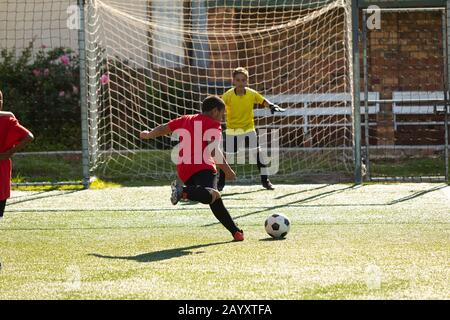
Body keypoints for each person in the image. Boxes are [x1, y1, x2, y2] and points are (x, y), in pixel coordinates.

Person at [139, 95, 244, 241]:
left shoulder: (186, 119)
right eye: (222, 114)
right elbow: (213, 150)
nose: (222, 118)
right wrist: (228, 170)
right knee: (210, 195)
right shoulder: (213, 124)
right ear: (214, 111)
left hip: (184, 169)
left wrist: (148, 134)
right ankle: (183, 191)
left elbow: (164, 128)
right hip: (203, 165)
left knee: (214, 197)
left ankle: (236, 232)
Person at [218, 67, 285, 191]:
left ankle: (265, 181)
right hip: (232, 130)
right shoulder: (227, 95)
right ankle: (220, 183)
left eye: (243, 80)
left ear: (246, 81)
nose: (240, 82)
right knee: (226, 157)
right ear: (233, 81)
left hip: (249, 129)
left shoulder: (251, 93)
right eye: (238, 80)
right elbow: (219, 106)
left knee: (259, 154)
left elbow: (262, 100)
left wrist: (271, 105)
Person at [0, 90, 34, 220]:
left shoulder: (7, 120)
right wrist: (8, 153)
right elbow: (29, 137)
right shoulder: (8, 120)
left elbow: (29, 137)